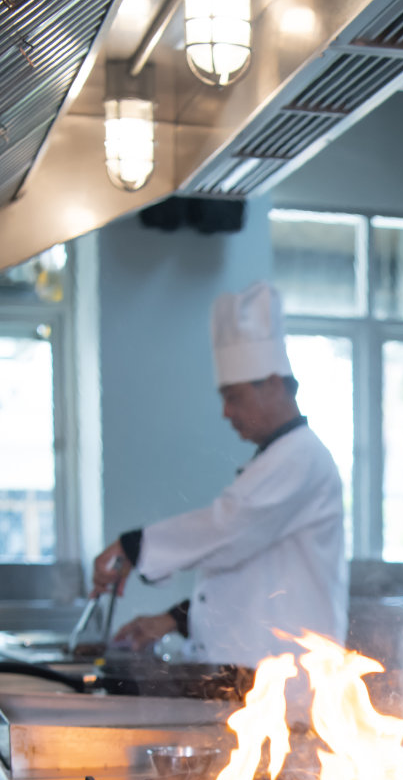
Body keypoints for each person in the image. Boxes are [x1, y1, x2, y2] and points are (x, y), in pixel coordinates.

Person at [92, 282, 347, 669]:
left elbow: (227, 528)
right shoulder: (277, 460)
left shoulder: (301, 456)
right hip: (257, 673)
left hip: (287, 678)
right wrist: (172, 620)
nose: (226, 413)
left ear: (274, 384)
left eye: (233, 396)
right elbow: (248, 571)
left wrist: (133, 546)